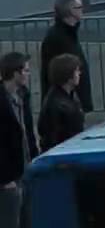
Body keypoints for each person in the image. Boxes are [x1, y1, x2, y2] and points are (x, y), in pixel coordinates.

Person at [0, 52, 37, 228]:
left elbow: (28, 132)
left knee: (28, 220)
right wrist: (5, 178)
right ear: (15, 73)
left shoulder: (23, 96)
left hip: (25, 168)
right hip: (8, 177)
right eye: (26, 70)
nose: (29, 75)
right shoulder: (2, 101)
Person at [40, 0, 93, 113]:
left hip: (70, 100)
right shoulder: (57, 37)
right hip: (64, 104)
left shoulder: (69, 33)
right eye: (79, 7)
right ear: (70, 11)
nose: (82, 10)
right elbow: (59, 71)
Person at [38, 55, 85, 152]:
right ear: (68, 75)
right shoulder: (56, 103)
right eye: (76, 71)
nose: (79, 73)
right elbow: (51, 137)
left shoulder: (71, 95)